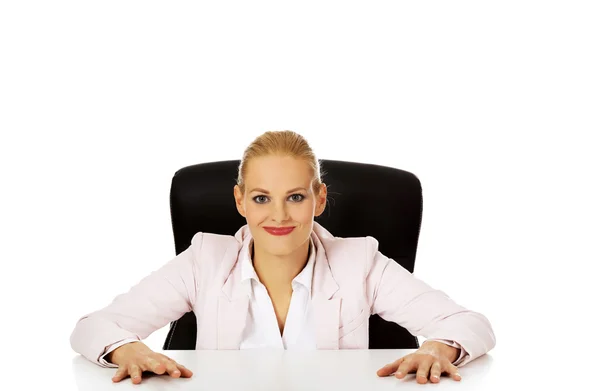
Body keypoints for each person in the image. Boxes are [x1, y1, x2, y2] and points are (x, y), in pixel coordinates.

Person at [70, 130, 496, 385]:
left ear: (320, 199)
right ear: (240, 202)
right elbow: (93, 328)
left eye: (295, 197)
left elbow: (471, 325)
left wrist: (441, 349)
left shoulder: (359, 262)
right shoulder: (205, 260)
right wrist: (126, 350)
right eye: (261, 198)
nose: (278, 215)